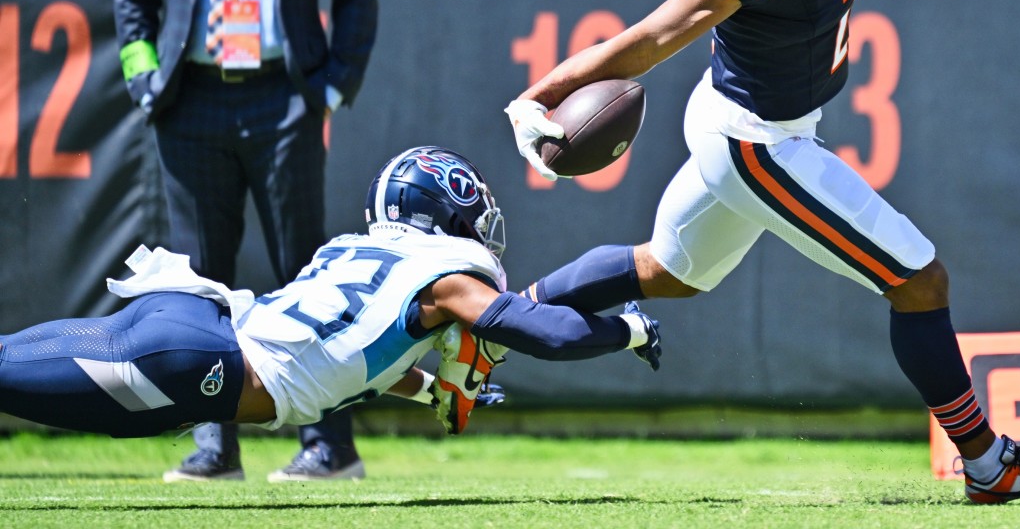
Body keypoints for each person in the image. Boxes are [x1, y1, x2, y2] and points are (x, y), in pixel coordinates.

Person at [504, 0, 1020, 503]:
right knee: (918, 281)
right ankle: (988, 462)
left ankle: (495, 324)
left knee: (666, 272)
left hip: (747, 120)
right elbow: (653, 37)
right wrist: (544, 92)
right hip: (758, 143)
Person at [0, 147, 662, 447]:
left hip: (192, 320)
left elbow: (355, 360)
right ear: (447, 213)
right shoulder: (449, 276)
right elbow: (553, 333)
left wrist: (434, 389)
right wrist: (628, 330)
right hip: (202, 362)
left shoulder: (354, 250)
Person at [111, 0, 378, 481]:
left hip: (284, 103)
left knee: (307, 277)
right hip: (190, 102)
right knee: (200, 284)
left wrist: (330, 88)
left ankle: (329, 446)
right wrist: (144, 81)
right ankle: (213, 445)